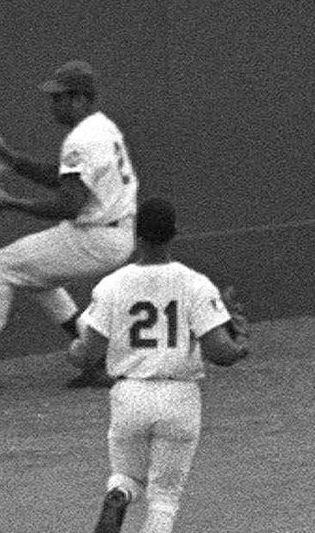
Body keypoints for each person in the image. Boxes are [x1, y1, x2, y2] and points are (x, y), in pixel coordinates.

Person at [0, 60, 138, 392]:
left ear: (81, 99)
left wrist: (8, 202)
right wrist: (13, 160)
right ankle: (96, 358)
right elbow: (65, 178)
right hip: (111, 231)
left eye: (61, 97)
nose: (53, 104)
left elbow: (69, 203)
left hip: (97, 236)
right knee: (33, 275)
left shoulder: (82, 140)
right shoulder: (102, 127)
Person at [69, 197, 249, 533]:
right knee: (165, 495)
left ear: (137, 236)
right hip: (180, 397)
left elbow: (87, 352)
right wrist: (240, 348)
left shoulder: (111, 286)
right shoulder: (194, 283)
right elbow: (219, 351)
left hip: (130, 395)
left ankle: (119, 494)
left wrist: (74, 351)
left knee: (126, 475)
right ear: (174, 235)